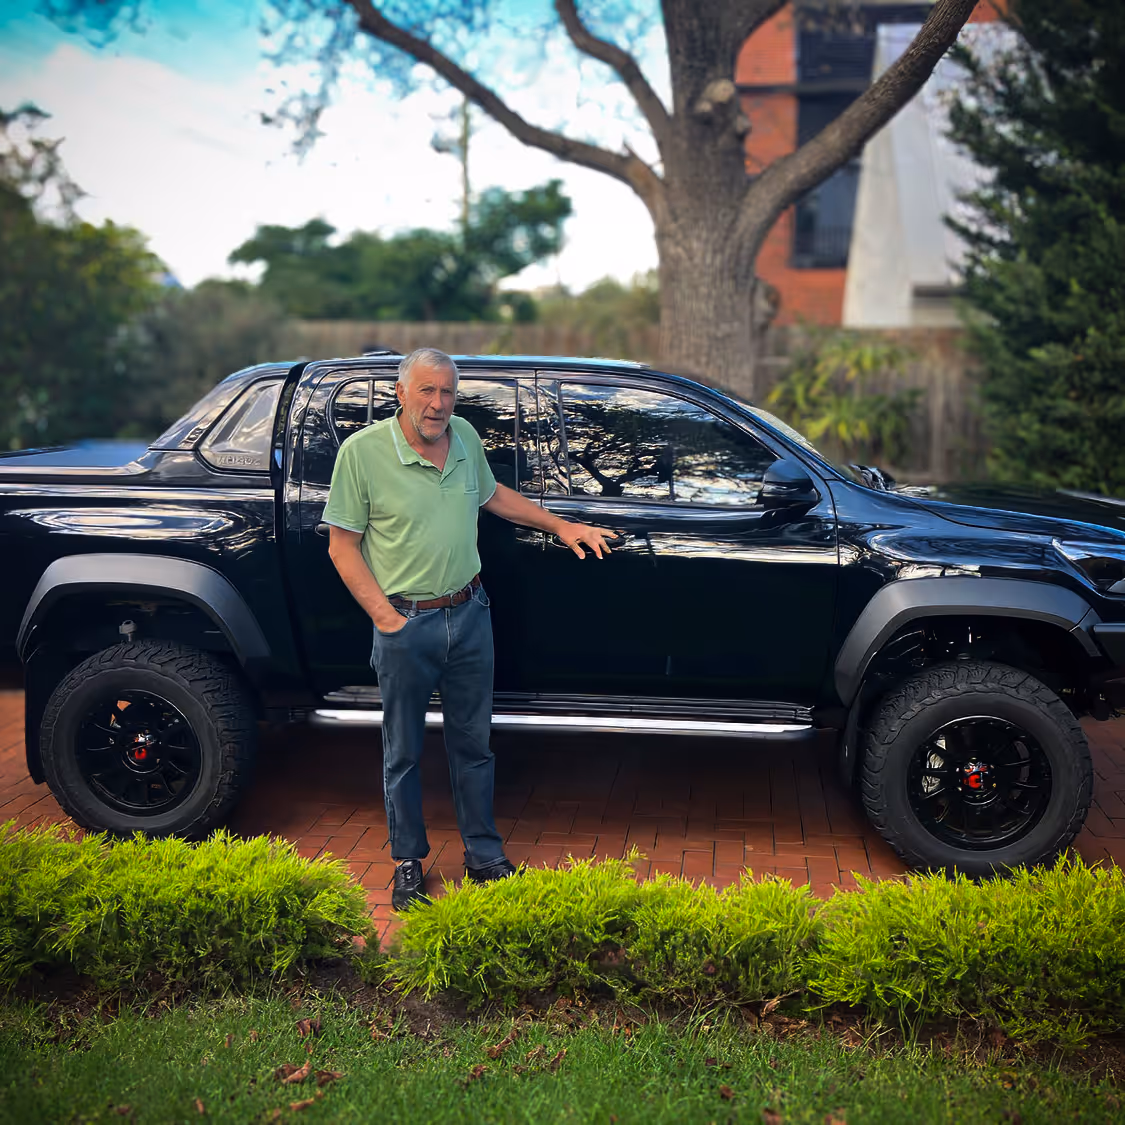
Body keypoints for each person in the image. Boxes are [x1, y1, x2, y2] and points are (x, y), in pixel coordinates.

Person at [324, 347, 613, 910]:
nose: (438, 404)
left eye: (447, 392)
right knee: (402, 752)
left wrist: (560, 525)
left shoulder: (464, 438)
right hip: (406, 622)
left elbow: (493, 496)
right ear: (401, 392)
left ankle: (483, 854)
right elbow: (343, 547)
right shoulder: (362, 454)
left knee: (473, 747)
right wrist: (387, 619)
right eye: (427, 391)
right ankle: (408, 861)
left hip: (471, 615)